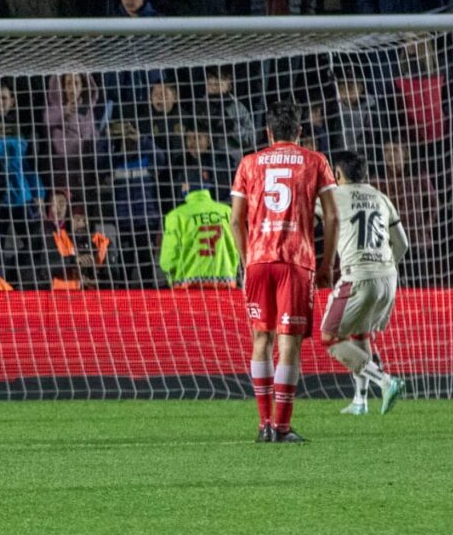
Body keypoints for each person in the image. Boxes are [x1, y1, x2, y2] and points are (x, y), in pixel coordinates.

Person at [230, 101, 339, 443]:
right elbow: (333, 217)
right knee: (289, 345)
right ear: (300, 131)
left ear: (268, 132)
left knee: (261, 340)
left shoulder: (249, 163)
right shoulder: (315, 161)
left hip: (259, 261)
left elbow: (235, 219)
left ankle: (264, 424)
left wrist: (248, 260)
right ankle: (281, 427)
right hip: (296, 261)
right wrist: (326, 265)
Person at [319, 151, 407, 416]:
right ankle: (360, 400)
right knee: (359, 334)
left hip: (359, 275)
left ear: (337, 173)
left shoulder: (333, 196)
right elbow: (402, 244)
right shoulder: (381, 197)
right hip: (388, 277)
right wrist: (383, 265)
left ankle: (385, 381)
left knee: (330, 337)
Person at [159, 184, 238, 288]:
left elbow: (169, 258)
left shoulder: (176, 215)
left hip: (188, 284)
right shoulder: (227, 211)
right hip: (224, 282)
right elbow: (237, 249)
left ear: (186, 187)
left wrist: (172, 279)